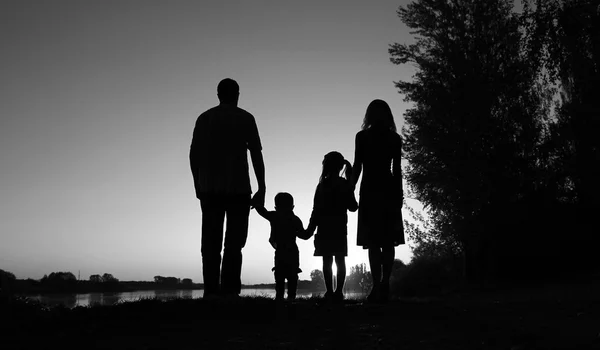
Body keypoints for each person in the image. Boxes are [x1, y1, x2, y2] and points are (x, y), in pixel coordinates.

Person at [189, 78, 266, 298]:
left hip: (210, 189)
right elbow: (256, 154)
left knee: (210, 245)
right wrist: (262, 187)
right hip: (239, 188)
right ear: (237, 94)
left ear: (218, 94)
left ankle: (212, 292)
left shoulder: (205, 118)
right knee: (234, 245)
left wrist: (197, 183)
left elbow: (193, 154)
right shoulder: (246, 118)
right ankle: (230, 293)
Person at [352, 99, 404, 303]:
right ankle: (383, 284)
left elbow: (358, 165)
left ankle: (379, 285)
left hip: (372, 190)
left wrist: (351, 188)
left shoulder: (364, 137)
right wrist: (398, 193)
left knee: (376, 241)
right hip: (384, 189)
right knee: (384, 240)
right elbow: (396, 171)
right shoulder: (393, 138)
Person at [306, 151, 358, 302]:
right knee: (340, 260)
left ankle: (330, 292)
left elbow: (315, 210)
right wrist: (351, 185)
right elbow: (353, 207)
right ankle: (338, 292)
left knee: (327, 261)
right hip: (340, 228)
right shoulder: (344, 184)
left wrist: (309, 229)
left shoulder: (322, 185)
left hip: (323, 229)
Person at [255, 192, 311, 301]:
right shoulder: (295, 219)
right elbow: (303, 235)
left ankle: (279, 298)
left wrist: (256, 204)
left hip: (280, 251)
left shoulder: (275, 216)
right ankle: (291, 298)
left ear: (276, 207)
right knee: (292, 276)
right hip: (292, 252)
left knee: (280, 276)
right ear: (292, 207)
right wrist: (312, 226)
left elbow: (262, 211)